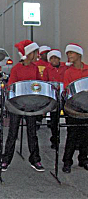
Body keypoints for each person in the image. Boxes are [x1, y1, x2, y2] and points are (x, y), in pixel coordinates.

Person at [1, 40, 45, 172]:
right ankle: (6, 160)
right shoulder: (16, 69)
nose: (36, 55)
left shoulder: (35, 68)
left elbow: (39, 84)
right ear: (27, 54)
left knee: (32, 133)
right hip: (17, 105)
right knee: (12, 133)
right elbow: (11, 86)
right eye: (34, 52)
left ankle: (35, 159)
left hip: (30, 104)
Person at [62, 43, 88, 173]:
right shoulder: (68, 72)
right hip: (74, 108)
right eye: (68, 54)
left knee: (86, 135)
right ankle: (67, 161)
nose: (69, 56)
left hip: (86, 107)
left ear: (79, 55)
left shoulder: (87, 70)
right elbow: (68, 90)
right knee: (72, 135)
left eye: (71, 53)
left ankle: (83, 159)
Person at [42, 49, 67, 149]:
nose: (54, 60)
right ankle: (55, 139)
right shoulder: (47, 69)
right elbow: (44, 82)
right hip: (53, 96)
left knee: (68, 117)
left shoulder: (65, 67)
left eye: (55, 58)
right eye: (51, 58)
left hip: (64, 95)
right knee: (54, 120)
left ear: (59, 59)